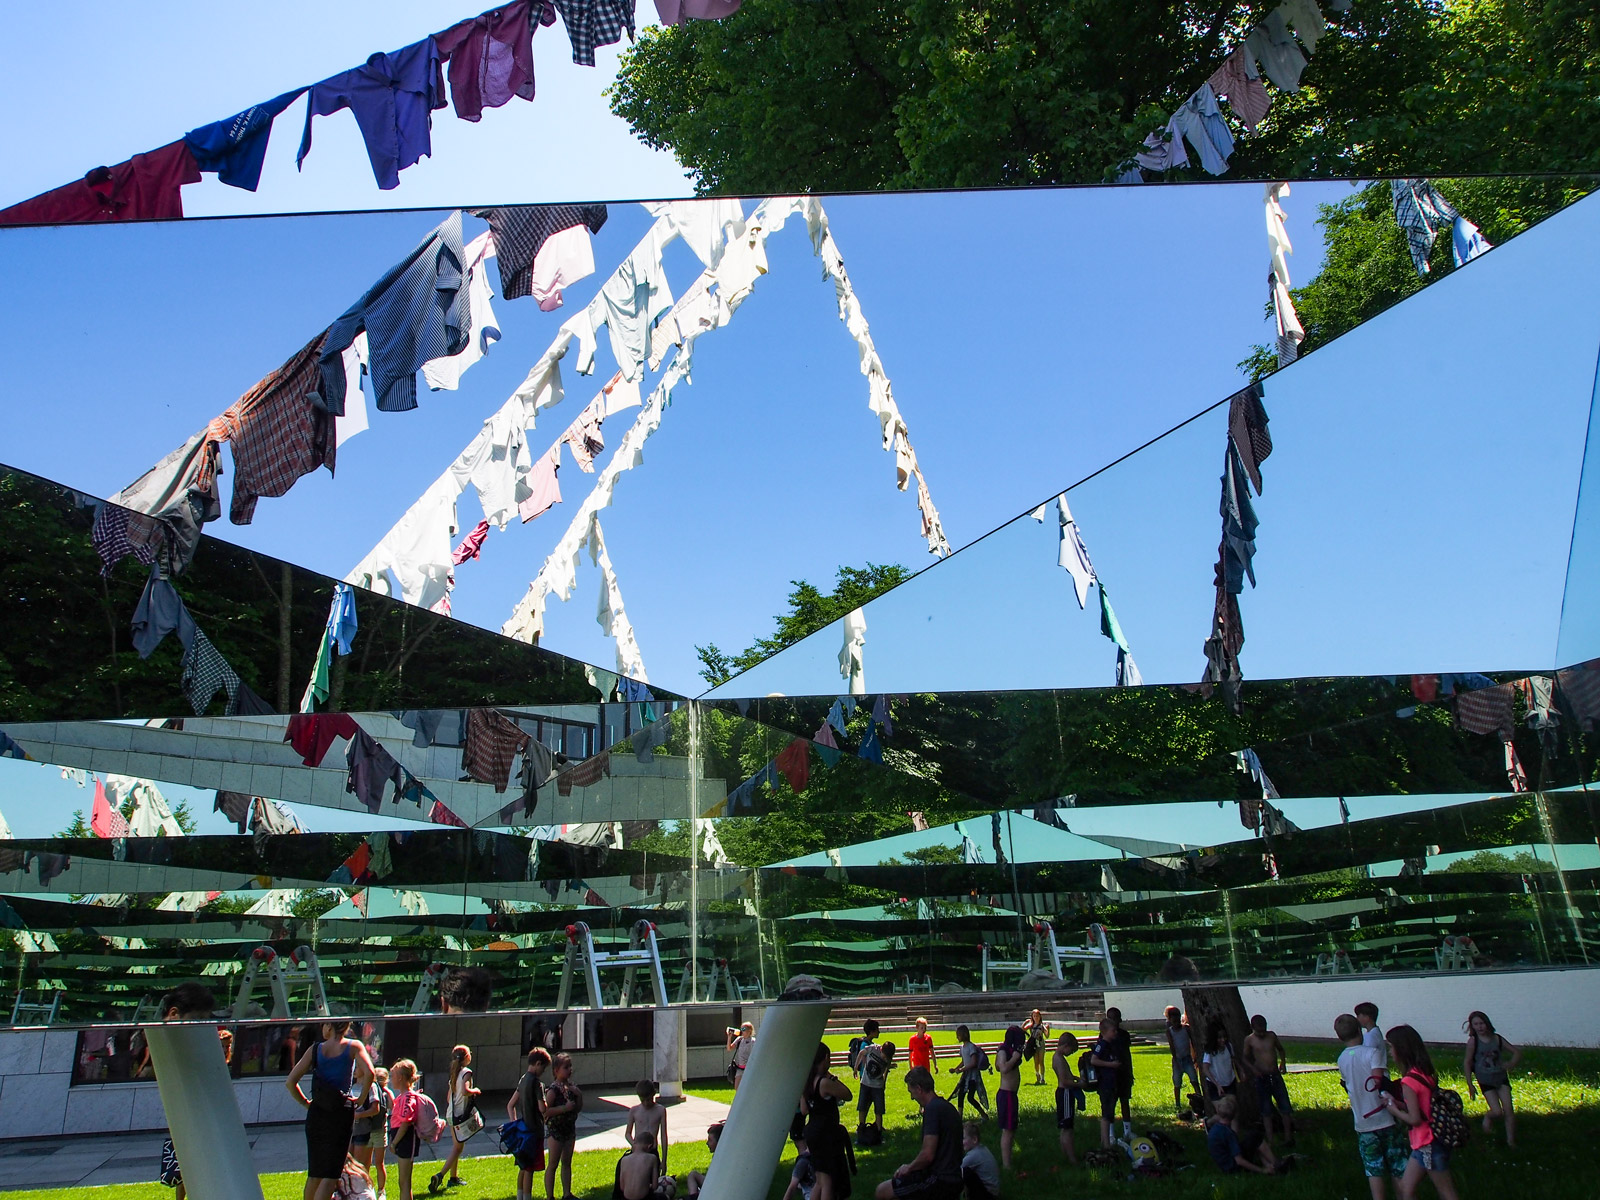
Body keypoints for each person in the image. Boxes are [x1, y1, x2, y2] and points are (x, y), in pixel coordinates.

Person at [152, 984, 231, 1200]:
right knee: (188, 1165)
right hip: (189, 1122)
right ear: (174, 1013)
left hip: (195, 1121)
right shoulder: (163, 1041)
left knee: (192, 1164)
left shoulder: (184, 1043)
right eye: (196, 1020)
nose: (199, 1028)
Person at [287, 1022, 377, 1200]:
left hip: (317, 1114)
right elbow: (370, 1073)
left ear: (329, 1026)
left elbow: (290, 1082)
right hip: (341, 1113)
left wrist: (307, 1103)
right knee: (331, 1173)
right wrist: (360, 1099)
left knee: (315, 1171)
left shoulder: (315, 1049)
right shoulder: (353, 1046)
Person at [1383, 1025, 1461, 1200]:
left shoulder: (1409, 1081)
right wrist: (1399, 1104)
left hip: (1428, 1143)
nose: (1389, 1051)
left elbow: (1415, 1119)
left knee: (1446, 1192)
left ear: (1401, 1050)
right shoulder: (1424, 1072)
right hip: (1428, 1141)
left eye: (1391, 1047)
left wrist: (1393, 1109)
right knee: (1405, 1189)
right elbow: (1422, 1106)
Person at [1335, 1013, 1407, 1200]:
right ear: (1360, 1030)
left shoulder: (1341, 1059)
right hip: (1386, 1117)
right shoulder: (1372, 1053)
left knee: (1373, 1169)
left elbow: (1347, 1084)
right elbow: (1379, 1081)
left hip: (1363, 1123)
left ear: (1339, 1037)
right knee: (1397, 1165)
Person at [873, 1066, 963, 1200]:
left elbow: (927, 1155)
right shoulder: (948, 1107)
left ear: (919, 1089)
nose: (911, 1097)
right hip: (955, 1177)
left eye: (911, 1092)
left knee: (882, 1191)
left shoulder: (932, 1110)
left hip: (940, 1180)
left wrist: (908, 1168)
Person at [801, 1042, 854, 1200]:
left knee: (820, 1179)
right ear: (825, 1058)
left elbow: (804, 1110)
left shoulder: (807, 1083)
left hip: (812, 1131)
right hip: (825, 1134)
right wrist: (832, 1077)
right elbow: (847, 1094)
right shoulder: (823, 1083)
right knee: (829, 1181)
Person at [1462, 1010, 1519, 1147]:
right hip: (1485, 1081)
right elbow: (1467, 1062)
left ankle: (1511, 1141)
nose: (1479, 1027)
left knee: (1509, 1109)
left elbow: (1516, 1052)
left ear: (1487, 1023)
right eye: (1476, 1024)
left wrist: (1511, 1063)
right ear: (1472, 1026)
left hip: (1501, 1078)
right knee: (1497, 1112)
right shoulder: (1473, 1042)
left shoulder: (1497, 1039)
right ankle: (1488, 1117)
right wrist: (1470, 1084)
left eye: (1482, 1023)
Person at [431, 1044, 481, 1192]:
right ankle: (440, 1175)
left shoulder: (454, 1073)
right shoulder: (466, 1072)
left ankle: (453, 1178)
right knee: (458, 1148)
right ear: (467, 1057)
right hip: (460, 1115)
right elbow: (466, 1091)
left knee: (457, 1146)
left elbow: (448, 1098)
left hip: (451, 1114)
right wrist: (475, 1091)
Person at [388, 1060, 440, 1200]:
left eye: (392, 1076)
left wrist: (394, 1143)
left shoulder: (408, 1097)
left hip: (406, 1139)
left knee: (404, 1182)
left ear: (400, 1077)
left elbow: (405, 1123)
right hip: (402, 1138)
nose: (390, 1079)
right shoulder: (402, 1097)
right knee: (402, 1181)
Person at [1243, 1015, 1295, 1145]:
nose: (1261, 1033)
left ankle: (1288, 1137)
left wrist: (1283, 1063)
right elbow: (1245, 1058)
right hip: (1261, 1077)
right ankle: (1270, 1139)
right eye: (1258, 1031)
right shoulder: (1249, 1040)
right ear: (1252, 1028)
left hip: (1275, 1075)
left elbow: (1281, 1050)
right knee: (1265, 1110)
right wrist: (1253, 1069)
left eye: (1263, 1030)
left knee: (1285, 1107)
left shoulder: (1271, 1036)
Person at [508, 1048, 550, 1200]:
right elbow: (542, 1108)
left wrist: (514, 1123)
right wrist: (544, 1097)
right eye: (543, 1068)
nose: (542, 1071)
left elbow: (510, 1104)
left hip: (522, 1130)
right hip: (534, 1130)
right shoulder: (537, 1084)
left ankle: (520, 1197)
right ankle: (527, 1197)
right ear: (538, 1064)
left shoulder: (523, 1079)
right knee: (530, 1168)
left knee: (522, 1167)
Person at [1205, 1095, 1280, 1175]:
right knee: (1255, 1137)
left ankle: (1269, 1165)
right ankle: (1275, 1164)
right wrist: (1261, 1170)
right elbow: (1239, 1160)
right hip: (1233, 1168)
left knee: (1252, 1138)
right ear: (1234, 1115)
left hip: (1224, 1165)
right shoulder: (1229, 1133)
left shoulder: (1214, 1129)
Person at [543, 1052, 583, 1200]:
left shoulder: (572, 1087)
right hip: (556, 1131)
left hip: (569, 1129)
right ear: (556, 1070)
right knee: (553, 1163)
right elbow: (546, 1111)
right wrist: (564, 1108)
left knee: (567, 1162)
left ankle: (567, 1193)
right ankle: (550, 1196)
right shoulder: (553, 1090)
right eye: (566, 1067)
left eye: (570, 1066)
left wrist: (579, 1095)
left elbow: (578, 1108)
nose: (569, 1070)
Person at [352, 1067, 393, 1200]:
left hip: (377, 1129)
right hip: (363, 1130)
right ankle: (367, 1188)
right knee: (364, 1163)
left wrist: (358, 1115)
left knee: (379, 1162)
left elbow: (388, 1106)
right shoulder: (354, 1086)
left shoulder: (375, 1088)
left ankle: (381, 1190)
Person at [992, 1026, 1025, 1168]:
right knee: (1008, 1130)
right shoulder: (1003, 1051)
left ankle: (1009, 1160)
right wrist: (1015, 1057)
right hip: (1006, 1095)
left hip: (1011, 1095)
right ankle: (1006, 1164)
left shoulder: (1006, 1051)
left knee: (1012, 1129)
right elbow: (1003, 1068)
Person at [614, 1132, 677, 1200]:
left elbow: (622, 1187)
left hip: (626, 1198)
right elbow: (654, 1186)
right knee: (664, 1197)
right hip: (644, 1198)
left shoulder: (624, 1160)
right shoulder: (652, 1158)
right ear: (649, 1146)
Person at [854, 1019, 890, 1140]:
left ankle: (875, 1129)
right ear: (872, 1031)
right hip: (867, 1081)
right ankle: (862, 1128)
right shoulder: (868, 1045)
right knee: (864, 1105)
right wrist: (858, 1070)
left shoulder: (878, 1048)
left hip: (874, 1082)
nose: (879, 1032)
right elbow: (864, 1059)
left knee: (872, 1106)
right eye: (877, 1030)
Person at [1088, 1019, 1120, 1149]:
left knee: (1110, 1112)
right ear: (1105, 1032)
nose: (1115, 1032)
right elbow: (1094, 1060)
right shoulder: (1102, 1045)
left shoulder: (1111, 1044)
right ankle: (1105, 1143)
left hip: (1112, 1082)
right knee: (1106, 1113)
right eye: (1113, 1030)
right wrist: (1111, 1065)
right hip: (1105, 1083)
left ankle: (1106, 1140)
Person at [1050, 1031, 1081, 1166]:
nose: (1070, 1053)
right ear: (1066, 1046)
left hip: (1063, 1092)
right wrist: (1079, 1084)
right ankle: (1072, 1158)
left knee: (1065, 1126)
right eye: (1071, 1050)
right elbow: (1064, 1080)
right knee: (1068, 1127)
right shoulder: (1059, 1059)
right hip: (1065, 1092)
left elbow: (1067, 1075)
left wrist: (1074, 1077)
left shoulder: (1057, 1057)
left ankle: (1065, 1154)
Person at [626, 1079, 670, 1173]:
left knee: (654, 1179)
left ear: (654, 1094)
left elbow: (663, 1136)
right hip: (637, 1151)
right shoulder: (634, 1110)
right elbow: (627, 1133)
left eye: (649, 1099)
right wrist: (634, 1145)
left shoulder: (660, 1110)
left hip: (652, 1150)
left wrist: (664, 1160)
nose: (646, 1103)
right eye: (643, 1100)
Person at [1104, 1007, 1134, 1141]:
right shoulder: (1104, 1036)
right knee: (1111, 1103)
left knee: (1125, 1101)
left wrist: (1129, 1072)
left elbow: (1127, 1055)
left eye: (1116, 1018)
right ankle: (1110, 1133)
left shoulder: (1124, 1035)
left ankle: (1127, 1130)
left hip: (1123, 1072)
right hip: (1110, 1075)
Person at [1163, 1006, 1200, 1112]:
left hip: (1187, 1058)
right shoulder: (1169, 1031)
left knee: (1194, 1079)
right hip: (1177, 1060)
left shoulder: (1186, 1028)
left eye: (1177, 1017)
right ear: (1169, 1019)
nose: (1176, 1021)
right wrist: (1175, 1059)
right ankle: (1177, 1103)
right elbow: (1172, 1046)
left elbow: (1192, 1041)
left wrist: (1195, 1054)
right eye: (1173, 1018)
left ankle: (1199, 1097)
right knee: (1177, 1082)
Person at [949, 1026, 987, 1119]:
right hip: (965, 1075)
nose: (957, 1037)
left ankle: (984, 1115)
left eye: (958, 1035)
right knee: (960, 1095)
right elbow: (963, 1061)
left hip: (973, 1077)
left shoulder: (971, 1047)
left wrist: (962, 1069)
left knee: (970, 1097)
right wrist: (955, 1069)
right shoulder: (962, 1047)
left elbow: (973, 1062)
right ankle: (959, 1117)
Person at [959, 1121, 999, 1200]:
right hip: (994, 1192)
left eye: (963, 1138)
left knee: (964, 1172)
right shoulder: (982, 1149)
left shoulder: (974, 1155)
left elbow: (956, 1170)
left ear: (974, 1139)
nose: (960, 1142)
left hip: (988, 1195)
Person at [1201, 1023, 1237, 1102]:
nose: (1223, 1040)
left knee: (1233, 1106)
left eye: (1224, 1037)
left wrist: (1240, 1070)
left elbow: (1233, 1059)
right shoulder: (1210, 1051)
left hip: (1230, 1082)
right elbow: (1205, 1069)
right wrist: (1217, 1084)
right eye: (1219, 1038)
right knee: (1223, 1110)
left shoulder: (1229, 1046)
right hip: (1215, 1084)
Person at [686, 1122, 722, 1199]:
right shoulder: (716, 1156)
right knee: (692, 1174)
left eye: (710, 1140)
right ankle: (693, 1197)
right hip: (712, 1184)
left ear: (719, 1142)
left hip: (717, 1187)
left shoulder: (723, 1158)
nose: (707, 1143)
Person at [1021, 1009, 1048, 1086]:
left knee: (1041, 1061)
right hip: (1034, 1045)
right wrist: (1025, 1022)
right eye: (1034, 1016)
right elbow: (1022, 1029)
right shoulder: (1031, 1025)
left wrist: (1047, 1029)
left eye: (1037, 1016)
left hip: (1041, 1044)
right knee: (1036, 1061)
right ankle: (1037, 1075)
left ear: (1040, 1017)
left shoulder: (1042, 1026)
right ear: (1032, 1017)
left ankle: (1042, 1078)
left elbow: (1047, 1035)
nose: (1036, 1017)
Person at [1356, 1002, 1387, 1067]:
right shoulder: (1373, 1033)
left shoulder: (1371, 1036)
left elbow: (1366, 1057)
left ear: (1366, 1018)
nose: (1357, 1019)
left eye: (1358, 1016)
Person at [727, 1021, 755, 1089]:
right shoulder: (739, 1039)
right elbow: (729, 1048)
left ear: (749, 1030)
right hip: (740, 1068)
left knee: (748, 1088)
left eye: (744, 1029)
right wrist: (729, 1037)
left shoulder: (753, 1041)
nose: (742, 1031)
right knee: (737, 1087)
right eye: (741, 1029)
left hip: (749, 1068)